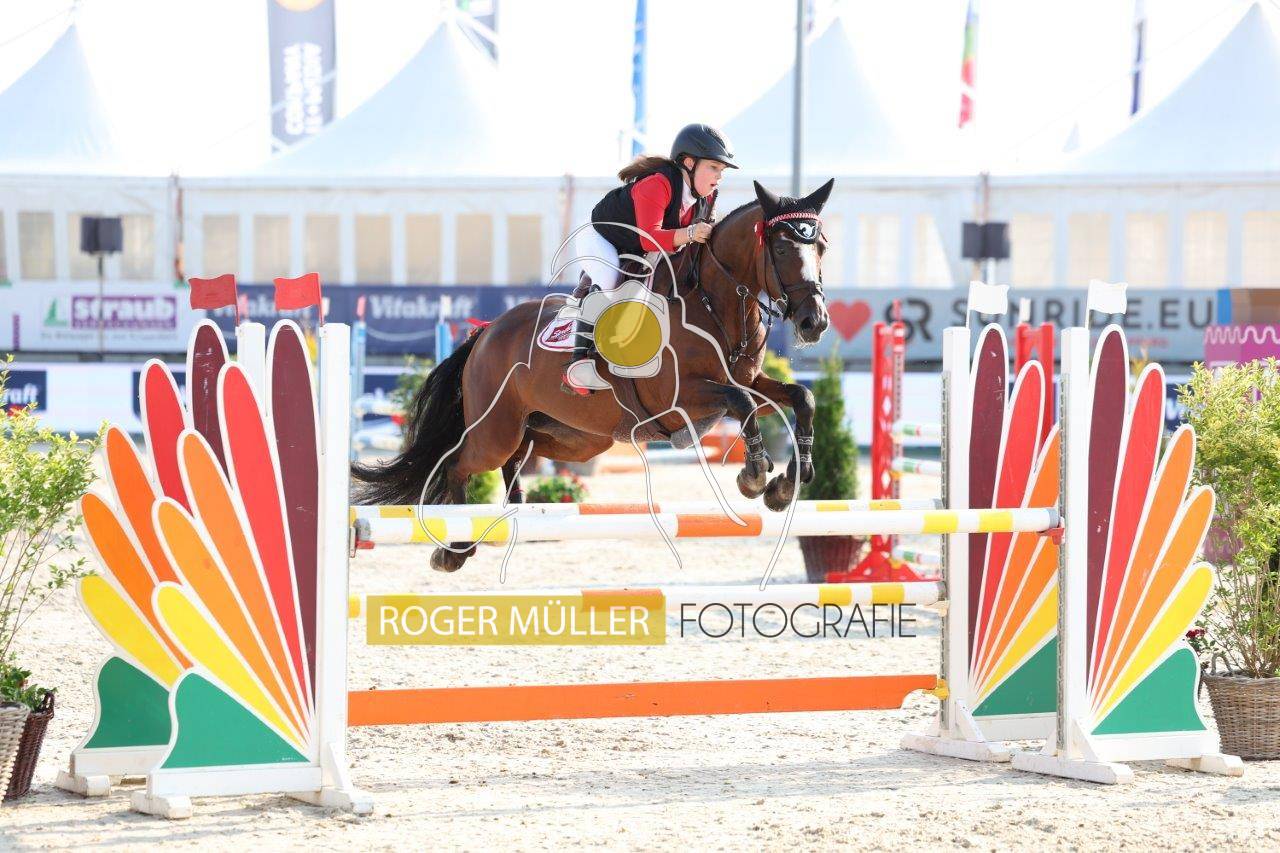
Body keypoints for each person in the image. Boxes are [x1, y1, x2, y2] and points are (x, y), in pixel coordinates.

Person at [564, 123, 738, 394]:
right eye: (713, 167)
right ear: (689, 163)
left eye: (722, 170)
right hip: (601, 237)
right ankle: (578, 364)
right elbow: (650, 239)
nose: (719, 176)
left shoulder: (707, 196)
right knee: (610, 279)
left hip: (640, 245)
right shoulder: (658, 184)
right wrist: (690, 233)